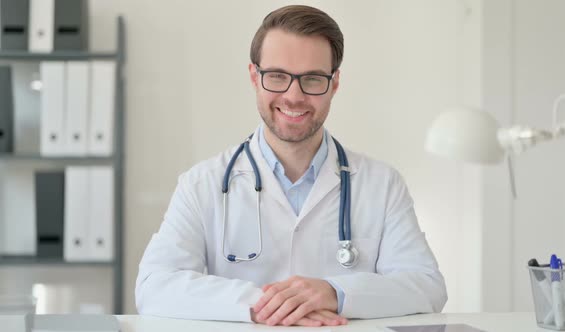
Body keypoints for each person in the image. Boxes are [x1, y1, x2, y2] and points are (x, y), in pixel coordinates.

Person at [135, 5, 447, 327]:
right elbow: (154, 286)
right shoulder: (202, 184)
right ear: (254, 77)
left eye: (312, 79)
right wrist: (268, 305)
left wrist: (334, 292)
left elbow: (426, 286)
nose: (293, 95)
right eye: (278, 77)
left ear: (335, 83)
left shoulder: (382, 184)